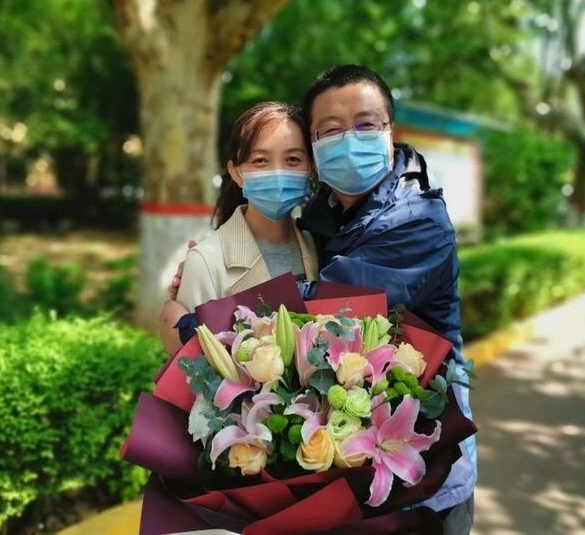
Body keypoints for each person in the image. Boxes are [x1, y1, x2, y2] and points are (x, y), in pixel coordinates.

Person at [164, 65, 476, 533]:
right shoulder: (321, 215)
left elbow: (320, 309)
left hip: (422, 472)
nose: (350, 140)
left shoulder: (414, 221)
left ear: (390, 132)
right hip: (342, 466)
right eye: (331, 130)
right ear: (316, 147)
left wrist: (186, 324)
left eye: (366, 124)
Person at [160, 101, 318, 353]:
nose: (278, 173)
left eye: (293, 159)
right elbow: (188, 364)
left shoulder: (318, 246)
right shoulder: (206, 261)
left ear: (310, 167)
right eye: (260, 160)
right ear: (235, 173)